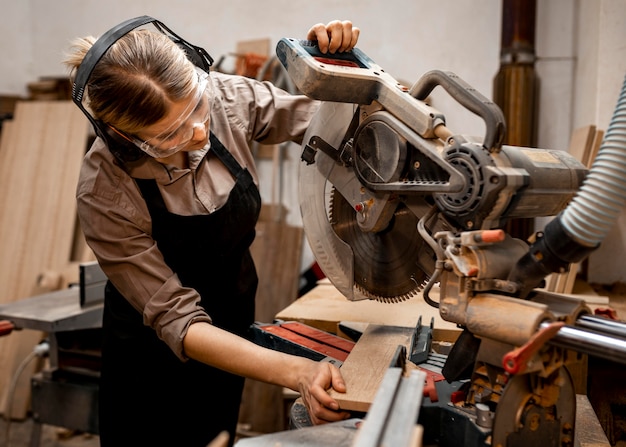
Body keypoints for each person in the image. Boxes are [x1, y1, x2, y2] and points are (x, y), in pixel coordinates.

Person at [64, 17, 360, 447]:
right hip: (153, 356)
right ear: (122, 138)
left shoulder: (224, 97)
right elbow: (178, 320)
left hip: (233, 321)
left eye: (197, 109)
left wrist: (337, 69)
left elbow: (329, 125)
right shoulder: (105, 190)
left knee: (217, 434)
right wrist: (296, 371)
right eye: (169, 134)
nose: (200, 132)